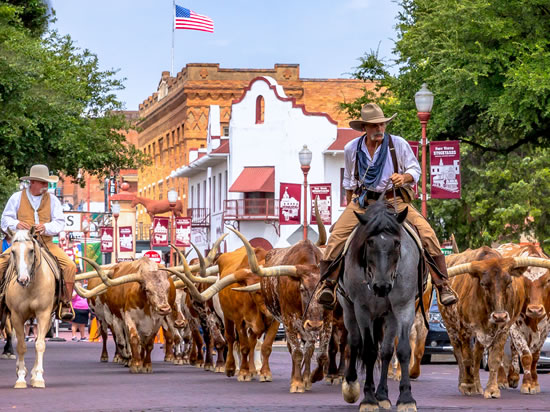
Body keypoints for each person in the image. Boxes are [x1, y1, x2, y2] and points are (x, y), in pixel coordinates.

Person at [317, 103, 458, 309]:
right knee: (337, 236)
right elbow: (349, 182)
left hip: (394, 200)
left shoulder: (397, 144)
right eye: (374, 126)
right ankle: (328, 284)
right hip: (364, 201)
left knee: (427, 234)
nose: (379, 129)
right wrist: (350, 210)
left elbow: (415, 169)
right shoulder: (351, 149)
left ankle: (442, 284)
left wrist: (403, 177)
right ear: (364, 127)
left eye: (382, 125)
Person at [0, 164, 76, 321]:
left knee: (70, 266)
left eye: (46, 182)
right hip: (22, 243)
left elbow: (60, 222)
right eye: (43, 182)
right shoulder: (16, 197)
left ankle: (65, 303)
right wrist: (16, 225)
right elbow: (5, 220)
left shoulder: (53, 200)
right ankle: (2, 299)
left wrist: (46, 227)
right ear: (32, 182)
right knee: (1, 263)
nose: (46, 185)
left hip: (46, 244)